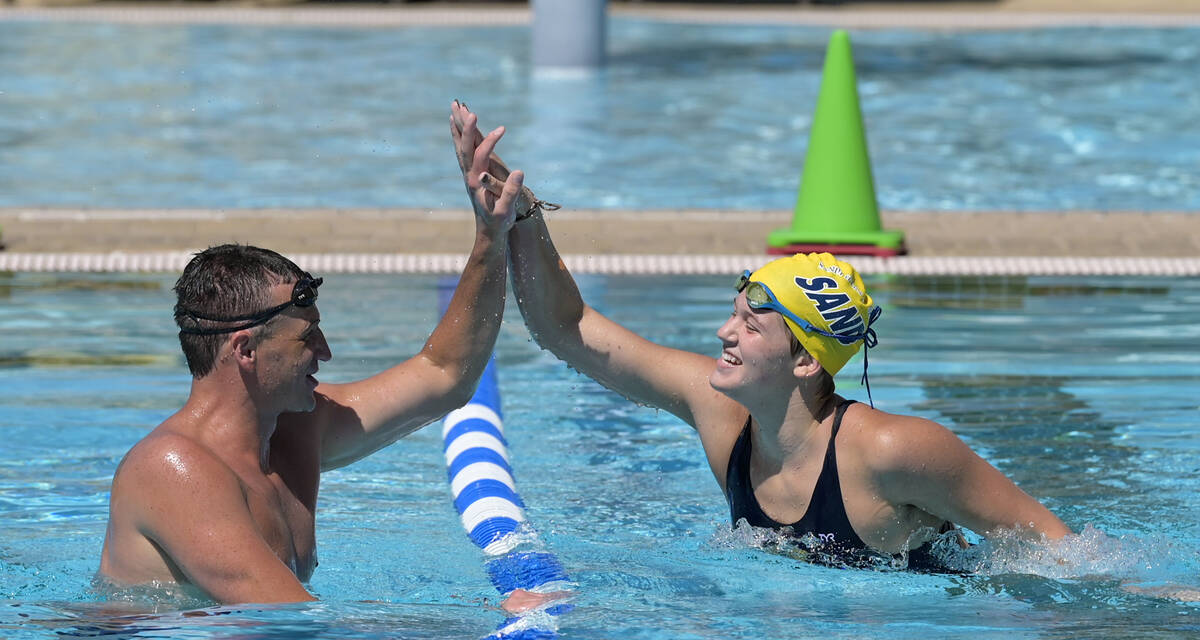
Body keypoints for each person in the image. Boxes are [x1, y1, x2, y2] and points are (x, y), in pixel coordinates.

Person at [451, 101, 1071, 570]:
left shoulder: (895, 452)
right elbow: (567, 330)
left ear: (806, 361)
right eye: (733, 314)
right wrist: (520, 214)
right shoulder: (721, 415)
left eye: (750, 324)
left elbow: (1061, 550)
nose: (724, 333)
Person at [99, 109, 529, 603]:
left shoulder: (294, 432)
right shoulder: (172, 468)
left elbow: (445, 375)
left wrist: (490, 236)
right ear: (245, 350)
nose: (324, 352)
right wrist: (469, 625)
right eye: (307, 338)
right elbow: (290, 620)